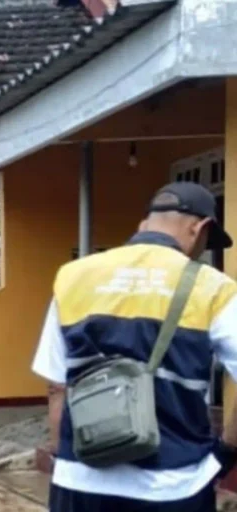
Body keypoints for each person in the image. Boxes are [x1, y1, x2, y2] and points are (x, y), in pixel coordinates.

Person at [32, 182, 237, 511]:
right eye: (206, 243)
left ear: (145, 224)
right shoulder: (214, 288)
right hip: (173, 486)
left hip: (78, 484)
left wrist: (65, 458)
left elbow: (57, 386)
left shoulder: (74, 276)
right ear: (199, 228)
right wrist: (225, 452)